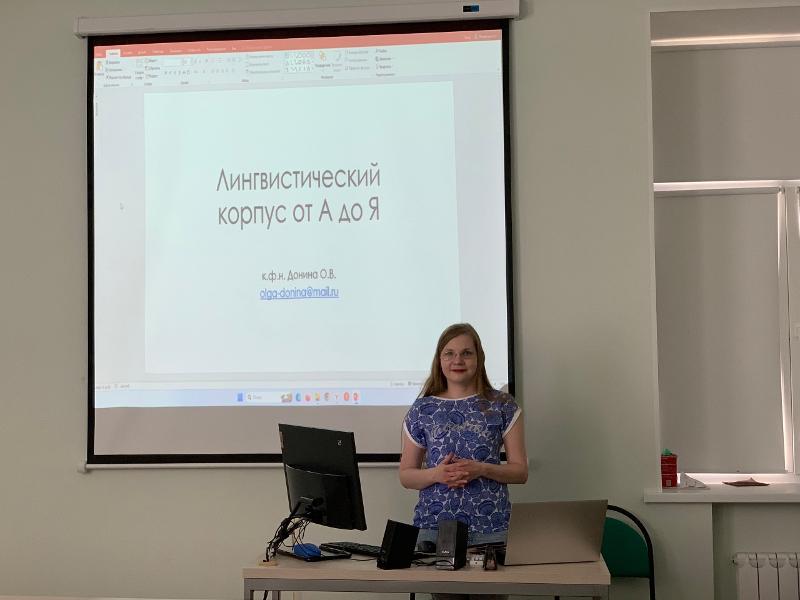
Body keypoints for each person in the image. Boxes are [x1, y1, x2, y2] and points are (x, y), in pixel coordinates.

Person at [399, 323, 528, 600]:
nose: (457, 360)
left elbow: (520, 472)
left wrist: (481, 469)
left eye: (466, 353)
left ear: (479, 358)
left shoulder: (502, 405)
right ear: (440, 360)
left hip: (491, 532)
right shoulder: (422, 409)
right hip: (436, 531)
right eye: (450, 353)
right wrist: (437, 474)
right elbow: (406, 475)